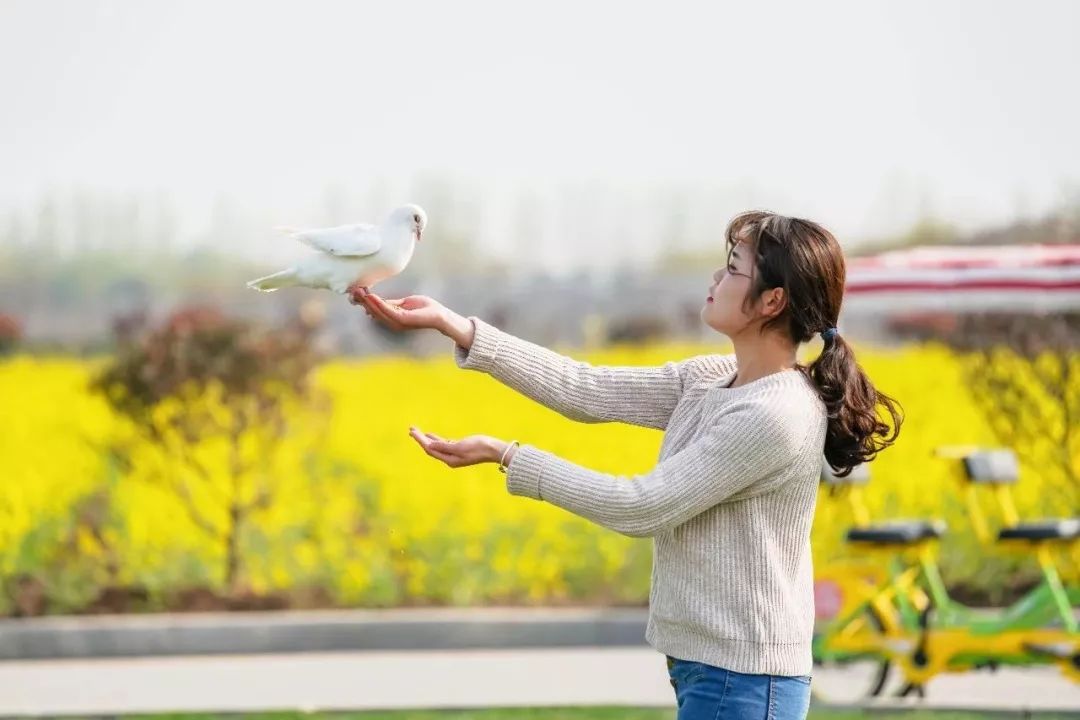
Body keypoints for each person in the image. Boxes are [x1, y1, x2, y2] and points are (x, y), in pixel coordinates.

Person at [353, 210, 903, 719]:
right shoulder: (713, 379)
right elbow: (586, 390)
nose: (715, 277)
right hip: (712, 669)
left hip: (744, 679)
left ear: (771, 300)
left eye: (733, 268)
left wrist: (510, 456)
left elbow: (642, 506)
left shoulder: (775, 415)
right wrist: (457, 326)